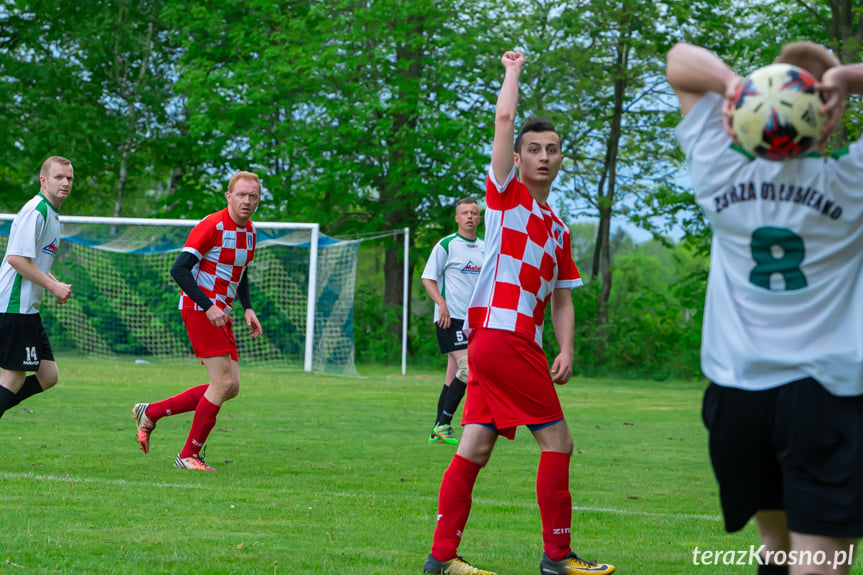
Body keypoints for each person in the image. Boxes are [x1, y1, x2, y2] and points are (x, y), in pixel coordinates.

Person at [667, 41, 863, 575]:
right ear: (829, 111)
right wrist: (846, 77)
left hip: (738, 396)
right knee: (821, 561)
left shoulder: (717, 170)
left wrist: (734, 85)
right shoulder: (850, 181)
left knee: (775, 548)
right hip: (825, 398)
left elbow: (680, 61)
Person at [422, 51, 615, 575]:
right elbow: (503, 120)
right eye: (534, 149)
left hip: (497, 346)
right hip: (504, 339)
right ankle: (558, 557)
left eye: (553, 149)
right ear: (520, 158)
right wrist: (512, 73)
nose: (544, 157)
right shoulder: (506, 199)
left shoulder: (557, 226)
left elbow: (562, 297)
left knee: (474, 450)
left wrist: (568, 347)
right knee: (560, 442)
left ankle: (441, 558)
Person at [132, 171, 263, 472]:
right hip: (199, 309)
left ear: (258, 200)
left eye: (252, 196)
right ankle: (188, 455)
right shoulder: (212, 225)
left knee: (231, 387)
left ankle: (149, 412)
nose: (246, 201)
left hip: (222, 313)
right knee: (223, 382)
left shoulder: (251, 232)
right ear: (228, 196)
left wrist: (248, 308)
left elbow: (239, 273)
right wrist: (208, 306)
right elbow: (179, 270)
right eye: (241, 195)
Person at [0, 157, 74, 421]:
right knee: (13, 378)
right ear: (44, 181)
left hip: (27, 309)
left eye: (69, 178)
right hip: (13, 306)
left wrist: (54, 281)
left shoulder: (52, 215)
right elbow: (17, 259)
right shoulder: (37, 211)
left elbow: (33, 260)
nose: (65, 183)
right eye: (58, 177)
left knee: (48, 375)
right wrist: (54, 286)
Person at [421, 197, 484, 446]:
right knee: (468, 369)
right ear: (457, 218)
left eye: (474, 212)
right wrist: (441, 303)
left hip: (474, 322)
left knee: (453, 376)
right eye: (465, 212)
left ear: (479, 218)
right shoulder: (446, 245)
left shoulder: (486, 247)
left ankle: (438, 429)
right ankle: (445, 423)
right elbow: (428, 278)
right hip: (450, 319)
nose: (470, 216)